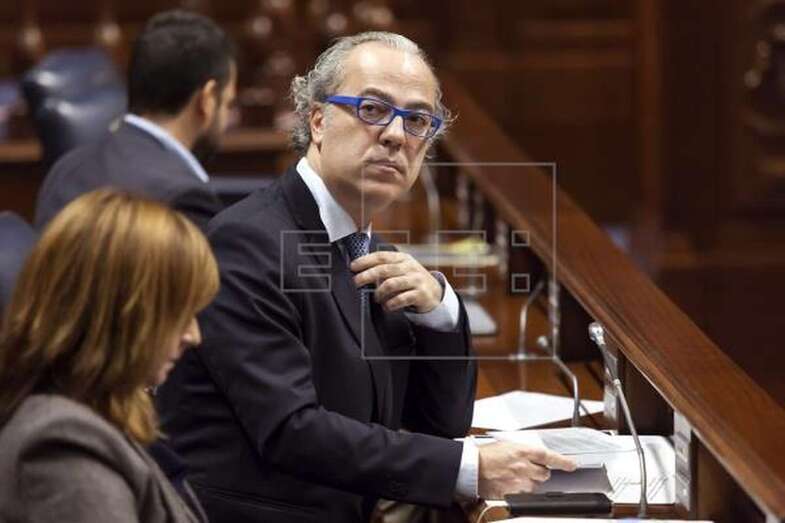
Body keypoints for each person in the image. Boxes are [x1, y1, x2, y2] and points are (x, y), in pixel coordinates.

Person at [157, 32, 576, 523]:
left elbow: (441, 423)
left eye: (417, 120)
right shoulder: (248, 242)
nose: (397, 136)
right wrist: (472, 468)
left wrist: (440, 313)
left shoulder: (371, 254)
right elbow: (292, 431)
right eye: (373, 110)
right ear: (317, 121)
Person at [0, 189, 219, 522]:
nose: (193, 336)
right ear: (121, 315)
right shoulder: (62, 443)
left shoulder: (105, 408)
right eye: (179, 314)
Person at [34, 9, 237, 231]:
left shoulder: (66, 168)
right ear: (207, 100)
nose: (227, 120)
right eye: (228, 104)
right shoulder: (186, 200)